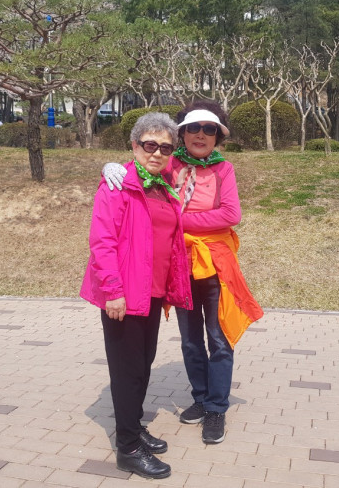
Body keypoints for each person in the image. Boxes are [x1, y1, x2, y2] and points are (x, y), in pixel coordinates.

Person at [102, 101, 263, 445]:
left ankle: (217, 407)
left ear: (218, 136)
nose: (200, 135)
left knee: (218, 338)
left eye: (209, 129)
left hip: (215, 263)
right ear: (183, 134)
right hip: (179, 264)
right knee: (190, 339)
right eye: (193, 128)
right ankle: (201, 398)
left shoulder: (224, 170)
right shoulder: (170, 163)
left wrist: (181, 221)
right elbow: (141, 170)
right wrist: (111, 167)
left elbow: (231, 214)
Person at [81, 112, 192, 480]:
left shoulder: (162, 185)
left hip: (151, 292)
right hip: (124, 295)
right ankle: (127, 448)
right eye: (149, 145)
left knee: (143, 365)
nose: (157, 153)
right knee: (127, 371)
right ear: (134, 145)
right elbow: (102, 242)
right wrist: (113, 292)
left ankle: (133, 426)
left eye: (165, 147)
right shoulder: (117, 185)